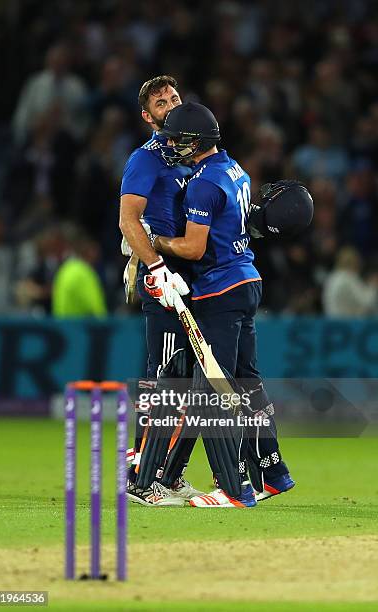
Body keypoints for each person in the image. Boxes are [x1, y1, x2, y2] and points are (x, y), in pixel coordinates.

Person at [139, 102, 297, 507]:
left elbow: (193, 248)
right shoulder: (234, 169)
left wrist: (151, 243)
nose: (173, 144)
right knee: (247, 385)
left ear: (197, 142)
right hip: (246, 281)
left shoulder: (202, 184)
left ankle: (234, 488)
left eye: (180, 139)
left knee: (212, 389)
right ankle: (274, 472)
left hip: (219, 290)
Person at [119, 76, 204, 506]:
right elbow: (127, 220)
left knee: (184, 381)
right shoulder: (145, 158)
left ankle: (166, 475)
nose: (170, 104)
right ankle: (142, 477)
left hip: (198, 276)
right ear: (147, 117)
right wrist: (154, 267)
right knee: (165, 379)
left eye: (173, 97)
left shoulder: (195, 154)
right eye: (160, 101)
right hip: (167, 277)